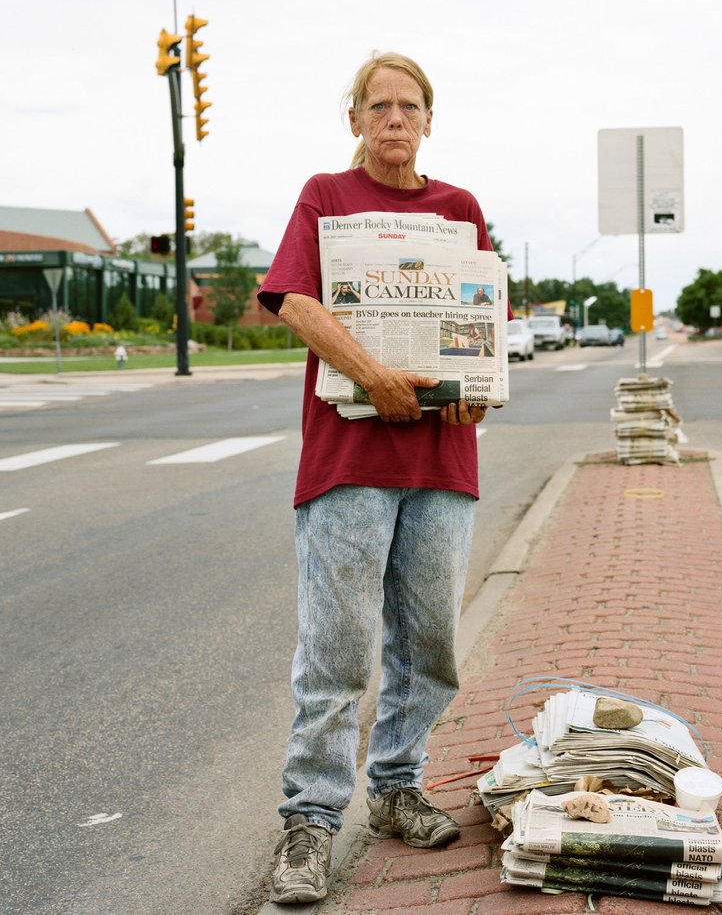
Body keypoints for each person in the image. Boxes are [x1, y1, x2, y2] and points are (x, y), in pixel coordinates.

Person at [257, 52, 494, 904]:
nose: (394, 120)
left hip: (440, 463)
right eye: (378, 106)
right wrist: (375, 378)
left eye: (410, 106)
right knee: (338, 648)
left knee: (430, 644)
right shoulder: (326, 197)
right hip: (349, 460)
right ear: (353, 119)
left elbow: (480, 321)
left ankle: (396, 787)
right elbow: (293, 300)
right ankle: (311, 822)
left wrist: (475, 393)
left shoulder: (458, 209)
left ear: (431, 119)